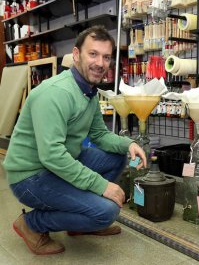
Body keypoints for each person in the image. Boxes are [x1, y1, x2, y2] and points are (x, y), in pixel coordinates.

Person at [2, 25, 147, 255]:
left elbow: (99, 135)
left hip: (59, 162)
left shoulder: (89, 92)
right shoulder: (57, 93)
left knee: (116, 156)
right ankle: (31, 224)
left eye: (106, 57)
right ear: (77, 55)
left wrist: (128, 144)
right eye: (93, 54)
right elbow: (51, 155)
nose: (100, 63)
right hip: (31, 176)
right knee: (107, 212)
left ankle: (80, 222)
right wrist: (102, 187)